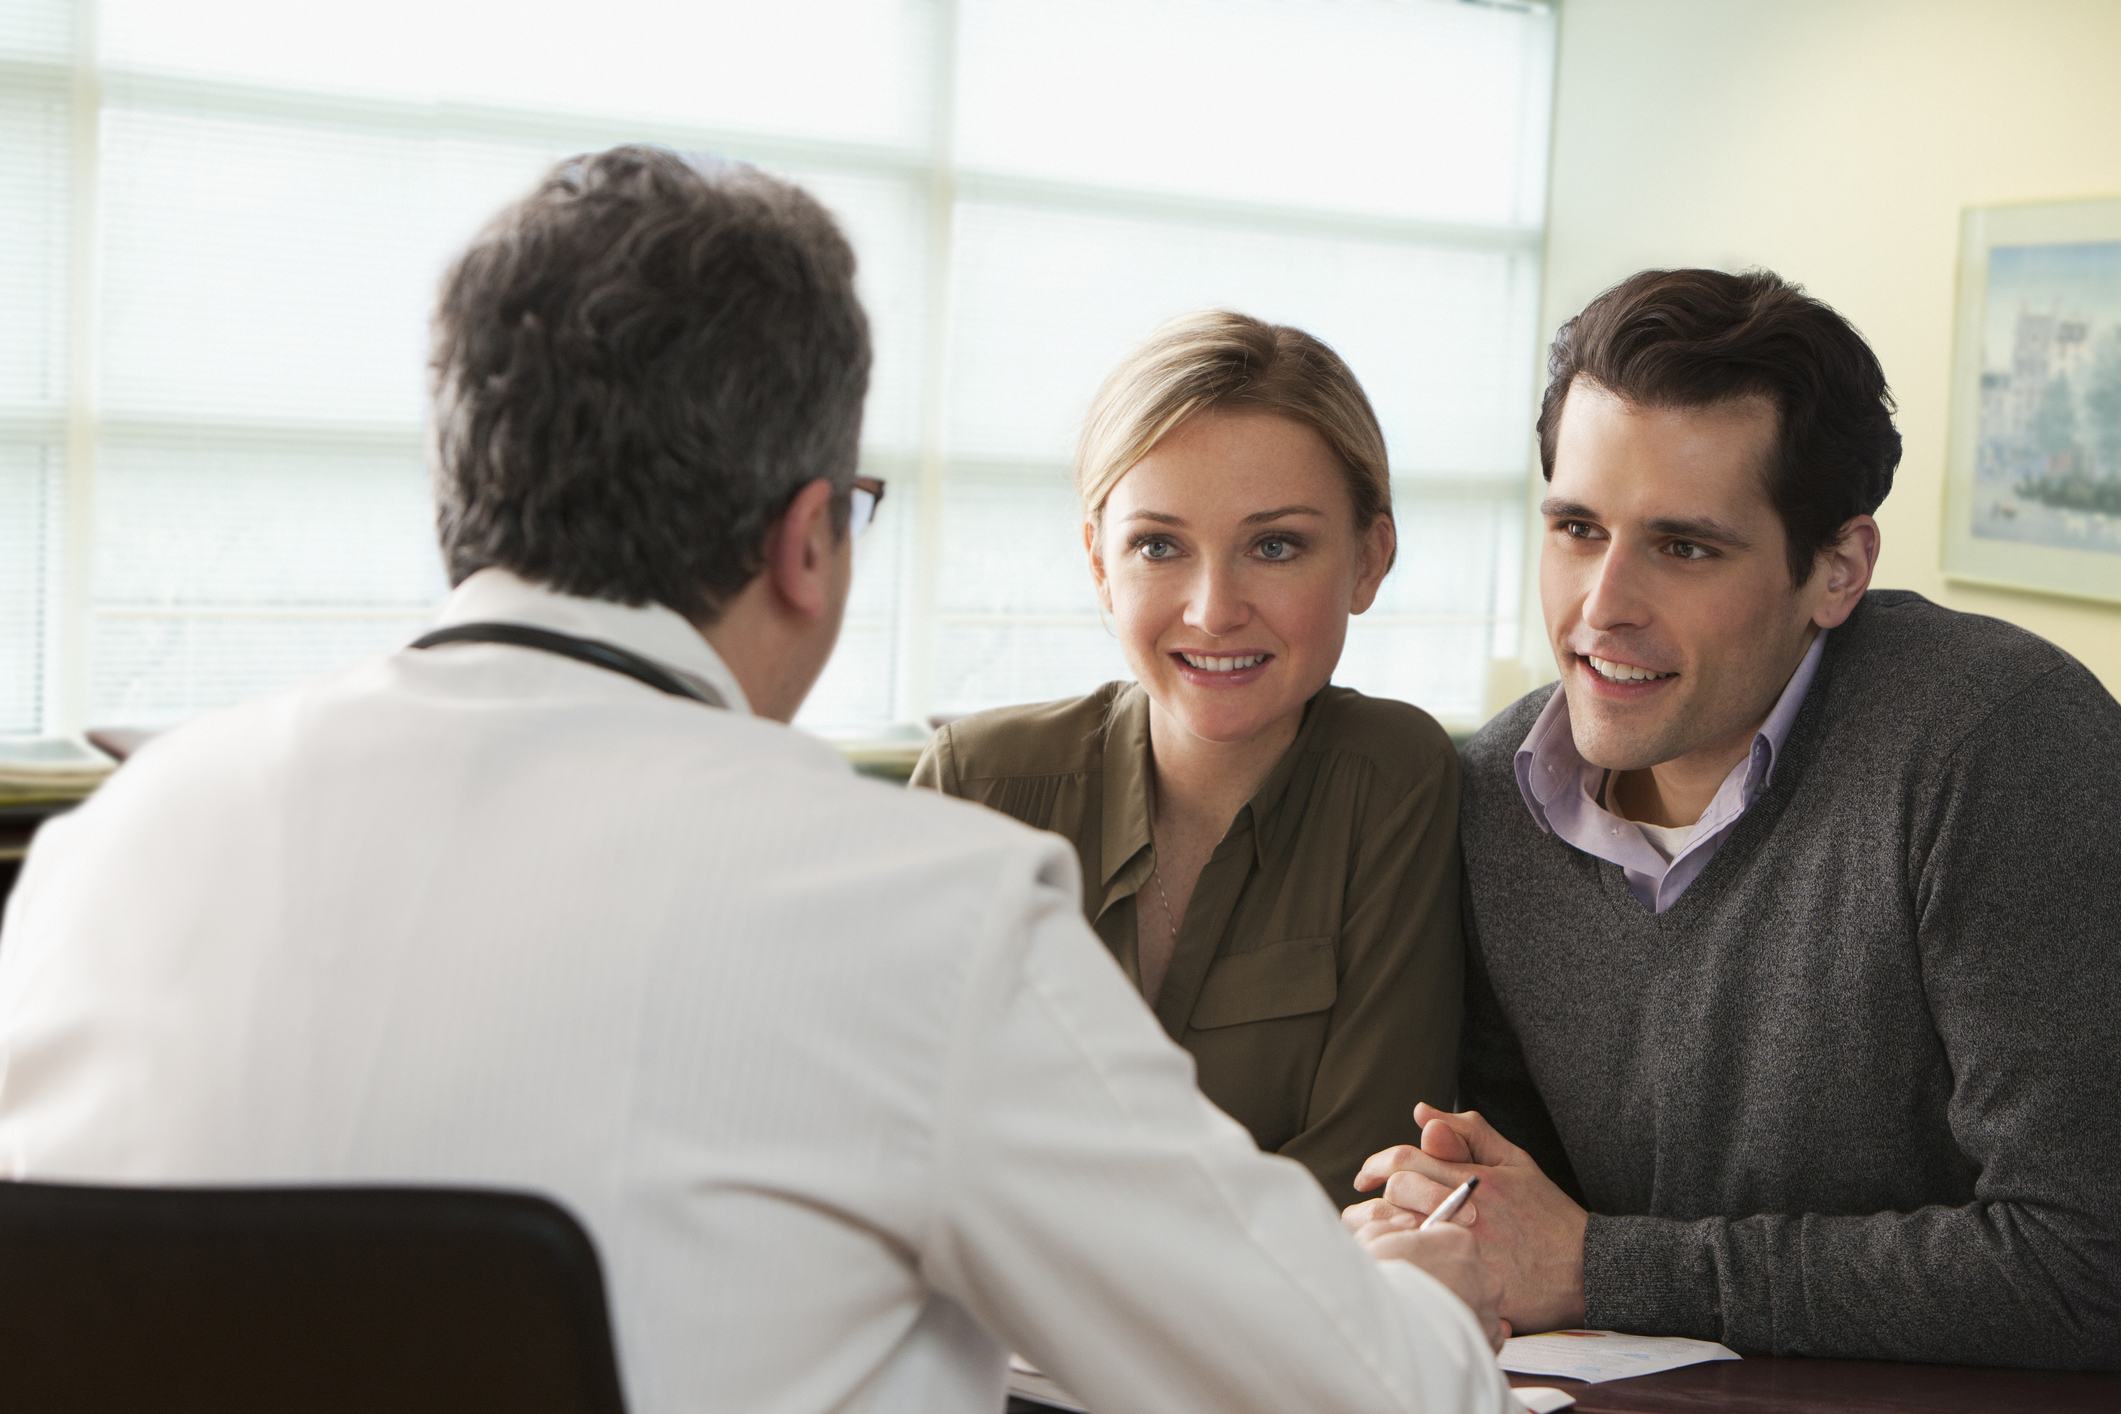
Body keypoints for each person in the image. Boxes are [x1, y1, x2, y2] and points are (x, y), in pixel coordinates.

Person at [0, 147, 1518, 1414]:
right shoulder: (917, 905)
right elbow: (1361, 1395)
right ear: (808, 539)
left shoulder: (105, 858)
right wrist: (1427, 1293)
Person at [1347, 267, 2121, 1369]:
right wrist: (1445, 1224)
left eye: (1685, 547)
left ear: (1838, 569)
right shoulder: (1491, 794)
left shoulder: (1999, 746)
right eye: (1576, 527)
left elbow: (2090, 1260)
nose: (1602, 605)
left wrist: (1602, 1264)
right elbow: (1529, 1210)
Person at [911, 311, 1463, 1209]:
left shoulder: (1395, 779)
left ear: (1370, 558)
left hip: (1264, 1336)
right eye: (1158, 545)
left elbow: (1366, 1165)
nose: (1212, 610)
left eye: (1274, 546)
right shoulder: (973, 786)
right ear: (1099, 563)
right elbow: (900, 1135)